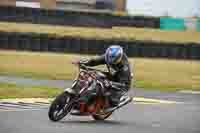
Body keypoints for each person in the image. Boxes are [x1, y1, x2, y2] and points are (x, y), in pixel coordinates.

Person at [72, 45, 133, 114]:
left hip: (121, 84)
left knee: (101, 87)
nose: (110, 60)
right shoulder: (108, 57)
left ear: (119, 57)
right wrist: (82, 62)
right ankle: (79, 95)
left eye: (113, 58)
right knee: (94, 75)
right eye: (109, 57)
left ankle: (111, 103)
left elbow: (123, 84)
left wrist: (110, 83)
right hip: (112, 76)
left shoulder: (124, 67)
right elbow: (94, 61)